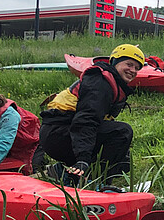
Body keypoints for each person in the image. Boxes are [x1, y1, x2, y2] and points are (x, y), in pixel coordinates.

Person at [39, 44, 144, 183]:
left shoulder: (112, 83)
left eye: (137, 68)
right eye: (129, 64)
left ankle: (67, 173)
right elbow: (86, 120)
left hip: (64, 131)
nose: (133, 70)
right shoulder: (100, 82)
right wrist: (83, 158)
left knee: (123, 159)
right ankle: (91, 181)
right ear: (115, 62)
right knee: (122, 132)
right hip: (57, 134)